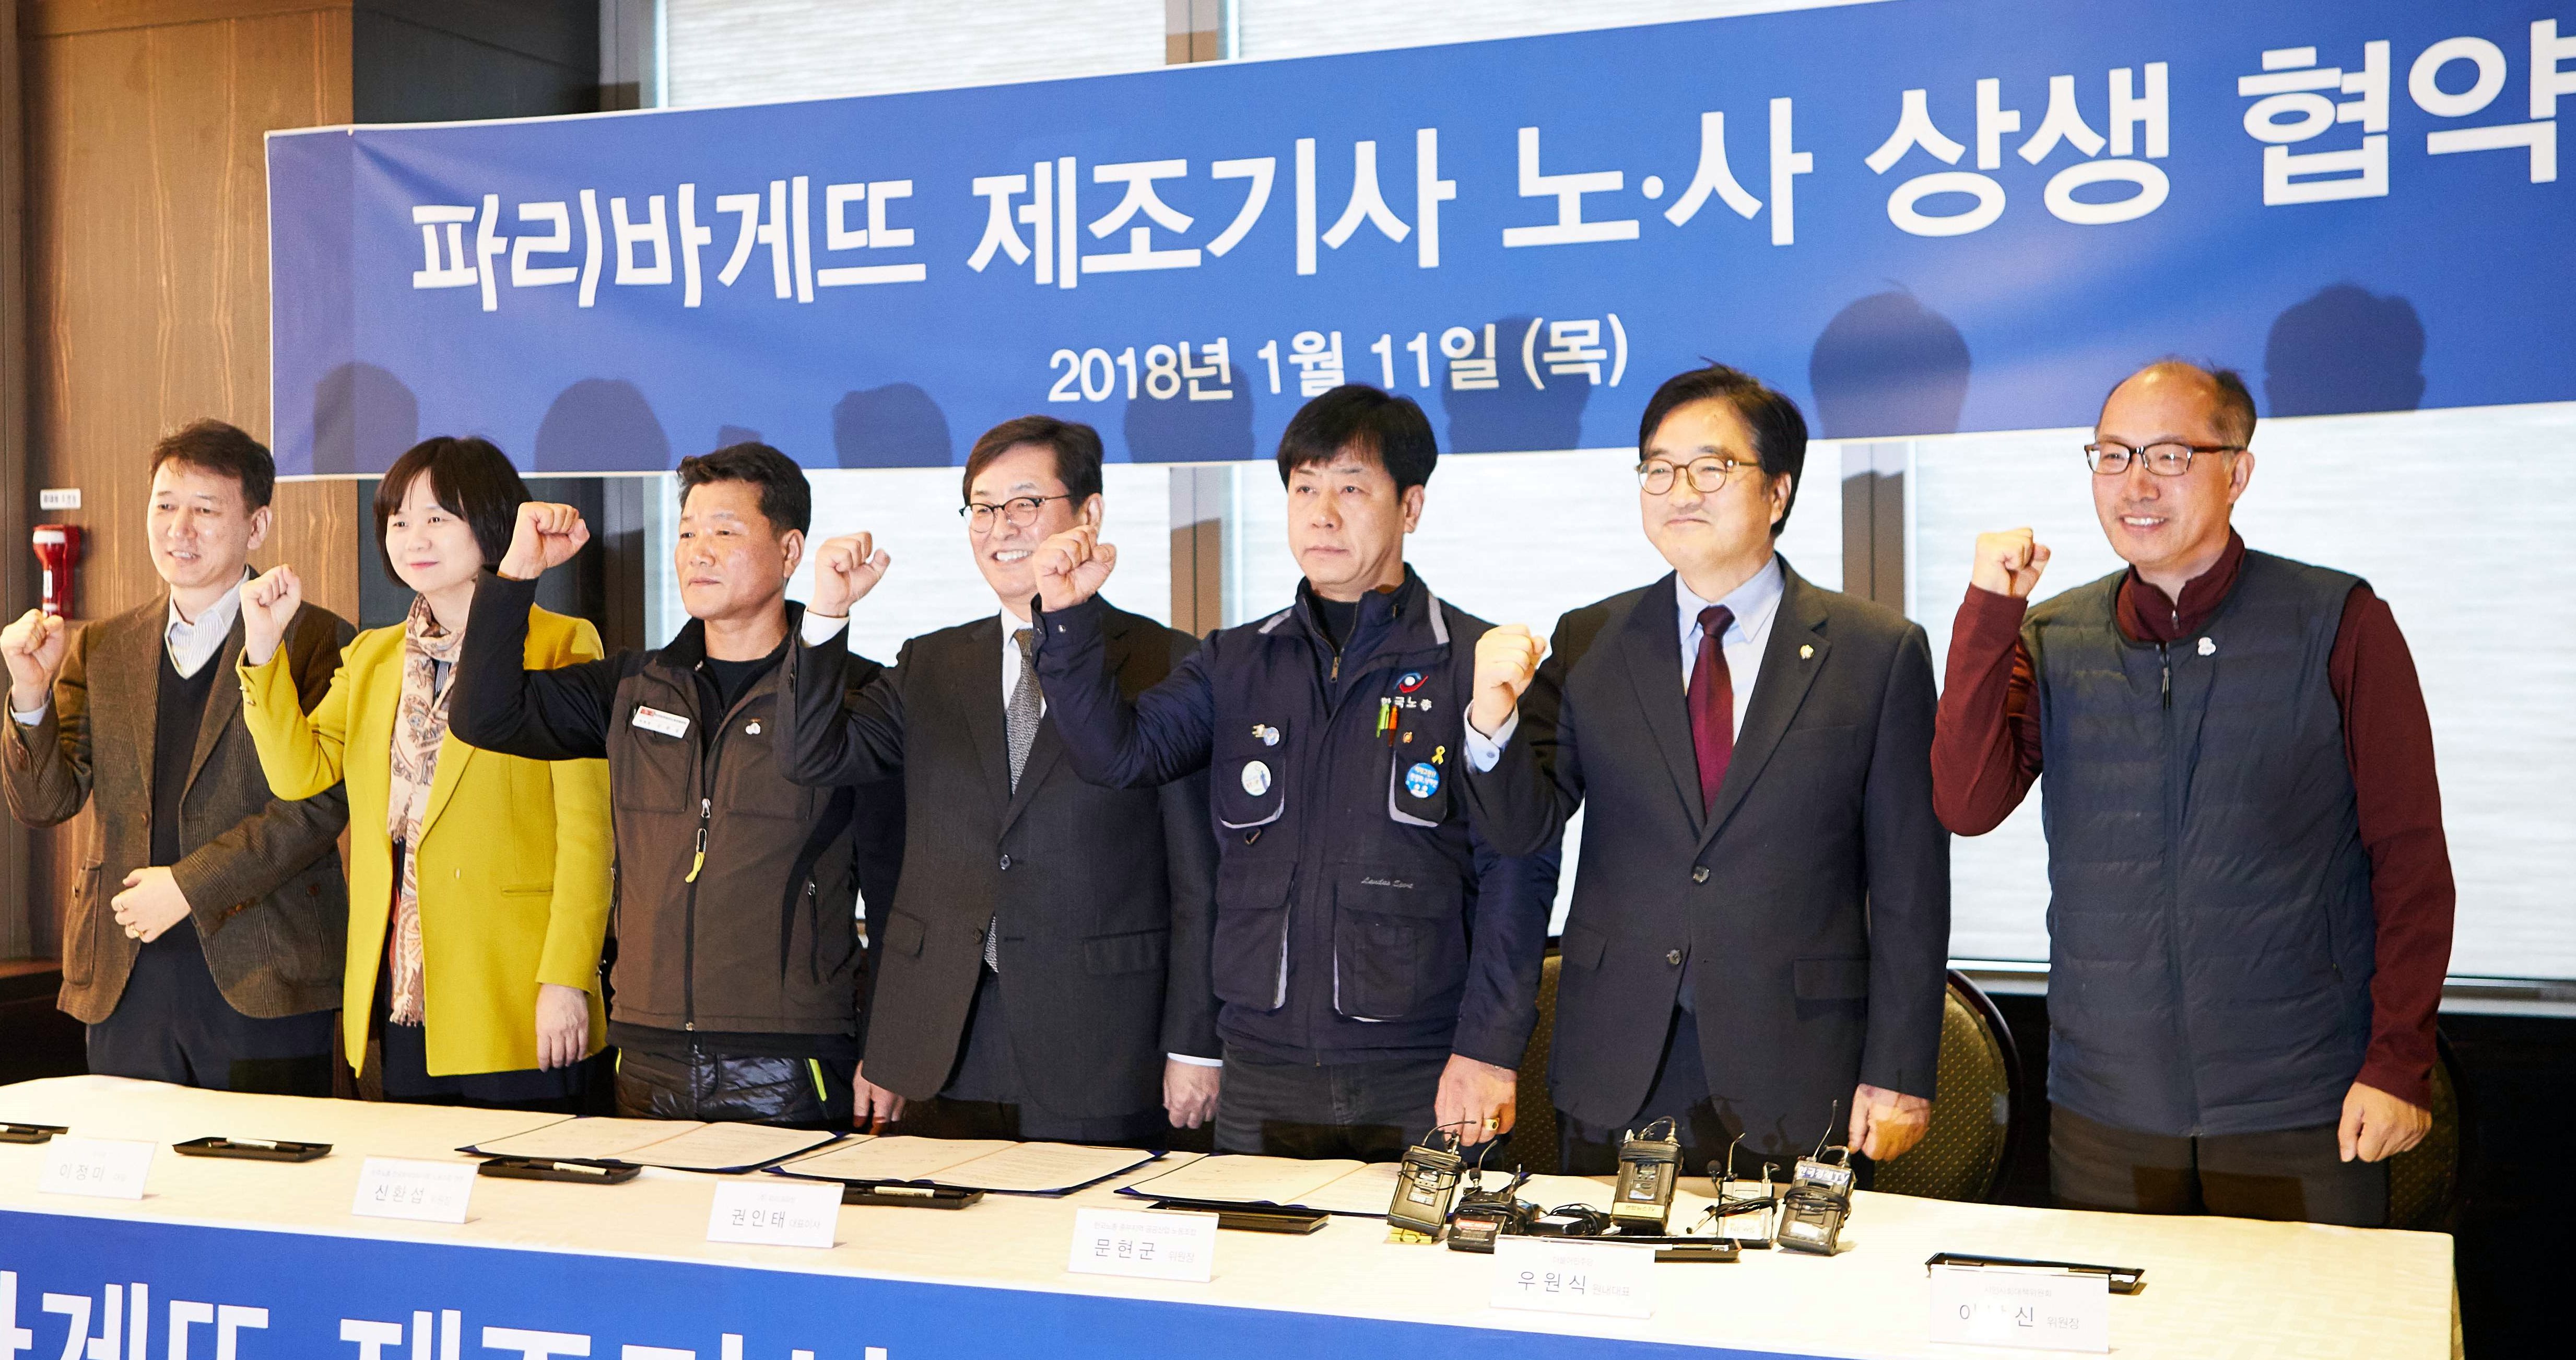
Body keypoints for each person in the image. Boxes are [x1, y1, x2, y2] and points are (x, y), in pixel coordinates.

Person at [1933, 359, 2454, 1227]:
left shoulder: (2338, 622)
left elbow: (2410, 862)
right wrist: (1990, 612)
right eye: (2111, 455)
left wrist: (2398, 1062)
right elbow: (1965, 803)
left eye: (2168, 456)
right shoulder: (2052, 636)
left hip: (2300, 1096)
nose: (2134, 484)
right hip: (2105, 1103)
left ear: (2236, 473)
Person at [1027, 384, 1558, 1162]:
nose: (1322, 514)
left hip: (1422, 1066)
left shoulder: (1474, 663)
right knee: (1253, 1243)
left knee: (1427, 1248)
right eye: (1304, 489)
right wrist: (1069, 621)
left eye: (1352, 488)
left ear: (1411, 507)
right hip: (1262, 1066)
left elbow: (1518, 866)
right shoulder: (1237, 660)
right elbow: (1119, 756)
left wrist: (1487, 1051)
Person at [1460, 364, 1949, 1176]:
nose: (1679, 491)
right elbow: (1520, 829)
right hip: (1619, 1058)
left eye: (1710, 468)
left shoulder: (1875, 651)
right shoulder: (1591, 639)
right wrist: (1489, 722)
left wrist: (1898, 1071)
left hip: (1798, 1067)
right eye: (1658, 469)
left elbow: (1910, 887)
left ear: (1777, 491)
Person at [774, 415, 1218, 1145]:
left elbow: (1199, 878)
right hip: (941, 1040)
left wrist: (1197, 1044)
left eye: (1025, 503)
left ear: (1090, 512)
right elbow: (810, 758)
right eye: (982, 508)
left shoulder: (1167, 660)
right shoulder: (930, 664)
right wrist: (826, 613)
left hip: (1105, 1038)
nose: (1000, 527)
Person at [448, 443, 904, 1128]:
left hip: (794, 1057)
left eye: (724, 531)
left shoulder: (853, 691)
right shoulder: (634, 686)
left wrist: (891, 1044)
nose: (698, 553)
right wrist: (516, 574)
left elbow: (895, 886)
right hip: (646, 1048)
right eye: (686, 533)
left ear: (789, 551)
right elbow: (485, 715)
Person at [234, 437, 611, 1111]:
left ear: (491, 523)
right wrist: (264, 647)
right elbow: (298, 775)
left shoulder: (559, 643)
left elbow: (587, 837)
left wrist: (567, 976)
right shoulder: (373, 656)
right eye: (399, 520)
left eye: (438, 518)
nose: (414, 538)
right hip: (405, 983)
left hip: (516, 984)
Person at [0, 420, 351, 1093]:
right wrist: (30, 692)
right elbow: (45, 804)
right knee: (133, 1156)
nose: (179, 529)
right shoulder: (103, 646)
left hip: (265, 973)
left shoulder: (316, 639)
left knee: (262, 1160)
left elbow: (313, 811)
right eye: (164, 505)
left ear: (256, 525)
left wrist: (189, 887)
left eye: (205, 510)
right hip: (124, 973)